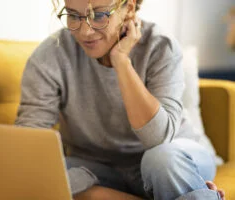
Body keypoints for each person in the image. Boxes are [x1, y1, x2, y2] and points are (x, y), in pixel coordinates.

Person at [15, 0, 225, 199]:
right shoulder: (50, 55)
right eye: (73, 15)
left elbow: (158, 139)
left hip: (172, 158)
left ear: (130, 8)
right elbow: (30, 141)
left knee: (161, 159)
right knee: (45, 175)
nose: (85, 31)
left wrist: (121, 61)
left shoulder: (160, 46)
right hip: (97, 168)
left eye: (98, 16)